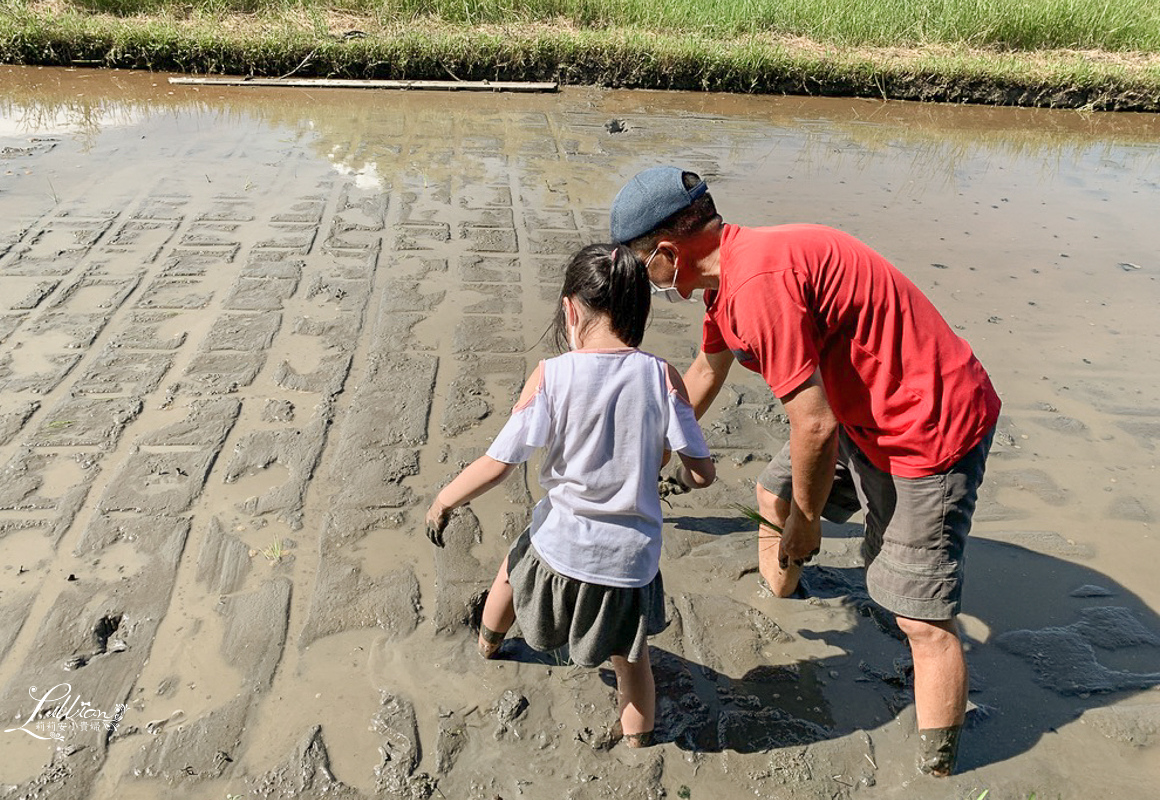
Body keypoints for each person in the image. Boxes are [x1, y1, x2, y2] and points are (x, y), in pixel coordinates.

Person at [609, 166, 1000, 775]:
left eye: (643, 269)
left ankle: (941, 769)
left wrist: (810, 520)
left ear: (666, 252)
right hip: (859, 411)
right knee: (773, 490)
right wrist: (656, 447)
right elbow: (708, 372)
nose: (648, 283)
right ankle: (783, 591)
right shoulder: (729, 276)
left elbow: (813, 426)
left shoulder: (760, 282)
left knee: (920, 618)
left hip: (928, 425)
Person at [425, 242, 716, 748]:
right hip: (630, 564)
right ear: (638, 309)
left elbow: (500, 463)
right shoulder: (663, 375)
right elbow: (702, 471)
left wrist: (444, 501)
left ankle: (488, 644)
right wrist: (676, 471)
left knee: (512, 571)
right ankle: (638, 743)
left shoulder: (552, 375)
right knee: (633, 665)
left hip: (559, 546)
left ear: (570, 308)